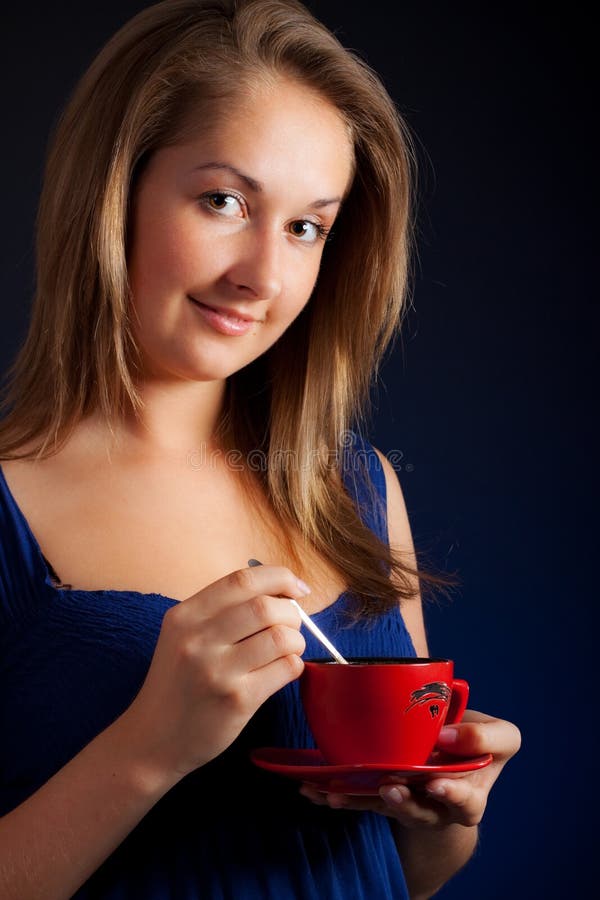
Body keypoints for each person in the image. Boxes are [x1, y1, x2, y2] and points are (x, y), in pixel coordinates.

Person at [0, 1, 521, 897]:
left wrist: (445, 816)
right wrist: (149, 749)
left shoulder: (356, 487)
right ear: (112, 190)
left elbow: (404, 876)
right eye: (223, 200)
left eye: (306, 227)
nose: (264, 277)